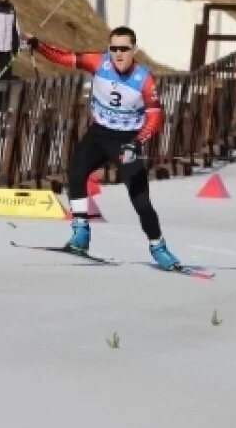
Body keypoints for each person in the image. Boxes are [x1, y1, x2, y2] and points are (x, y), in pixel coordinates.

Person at [23, 26, 181, 269]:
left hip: (126, 140)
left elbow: (154, 117)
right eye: (114, 48)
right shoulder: (98, 62)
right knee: (76, 172)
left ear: (134, 50)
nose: (118, 54)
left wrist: (136, 142)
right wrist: (38, 45)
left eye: (124, 49)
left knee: (140, 199)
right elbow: (66, 57)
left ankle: (158, 246)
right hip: (98, 135)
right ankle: (81, 233)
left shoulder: (144, 78)